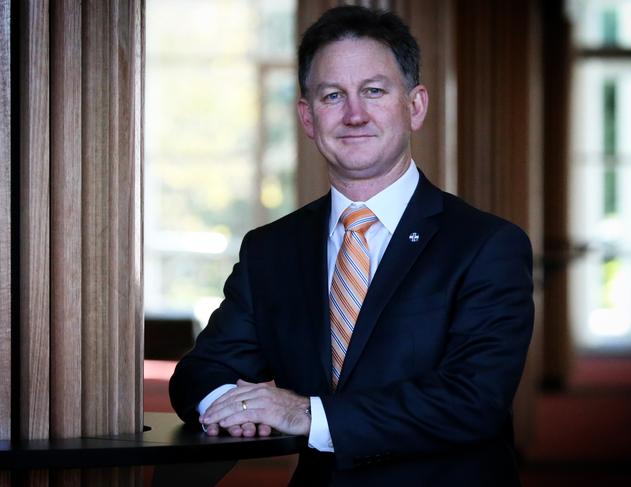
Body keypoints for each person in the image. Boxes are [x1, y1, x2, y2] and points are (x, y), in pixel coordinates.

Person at [169, 5, 534, 486]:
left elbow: (474, 400)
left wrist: (308, 415)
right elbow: (202, 370)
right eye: (332, 95)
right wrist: (229, 403)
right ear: (306, 115)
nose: (355, 114)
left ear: (416, 106)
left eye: (375, 91)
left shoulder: (487, 245)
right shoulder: (271, 249)